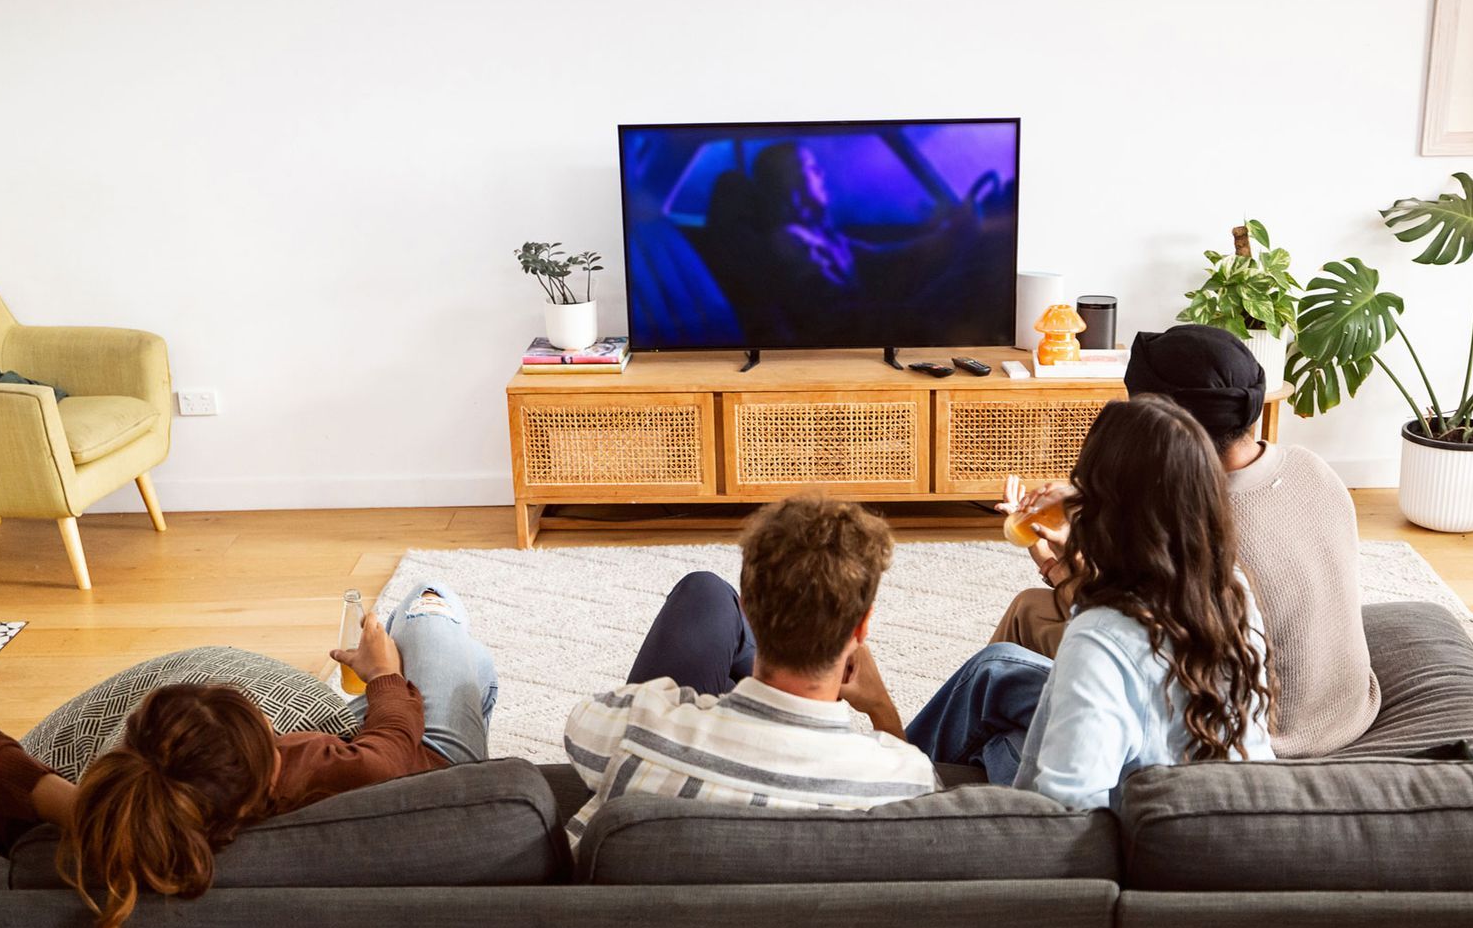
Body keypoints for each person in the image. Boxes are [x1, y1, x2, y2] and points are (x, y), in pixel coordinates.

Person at [0, 582, 498, 928]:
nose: (270, 724)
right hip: (438, 771)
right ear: (267, 759)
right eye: (264, 729)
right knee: (434, 612)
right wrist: (383, 673)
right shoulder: (317, 774)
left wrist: (80, 808)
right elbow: (393, 745)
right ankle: (415, 625)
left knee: (465, 662)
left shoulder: (94, 841)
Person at [992, 323, 1380, 757]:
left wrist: (1051, 561)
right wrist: (1086, 498)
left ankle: (993, 757)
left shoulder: (1188, 526)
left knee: (1025, 620)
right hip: (1346, 709)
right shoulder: (1313, 468)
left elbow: (1126, 631)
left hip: (1257, 735)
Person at [907, 396, 1275, 810]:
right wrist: (1056, 557)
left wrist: (881, 709)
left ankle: (892, 784)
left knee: (999, 736)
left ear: (1106, 507)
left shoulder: (1099, 640)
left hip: (1129, 827)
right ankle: (900, 763)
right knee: (997, 669)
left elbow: (1072, 817)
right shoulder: (1228, 590)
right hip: (1216, 800)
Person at [562, 495, 938, 848]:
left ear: (747, 607)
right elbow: (936, 805)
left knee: (705, 592)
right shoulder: (901, 780)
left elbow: (580, 726)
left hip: (632, 908)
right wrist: (881, 708)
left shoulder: (641, 730)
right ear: (862, 627)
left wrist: (699, 712)